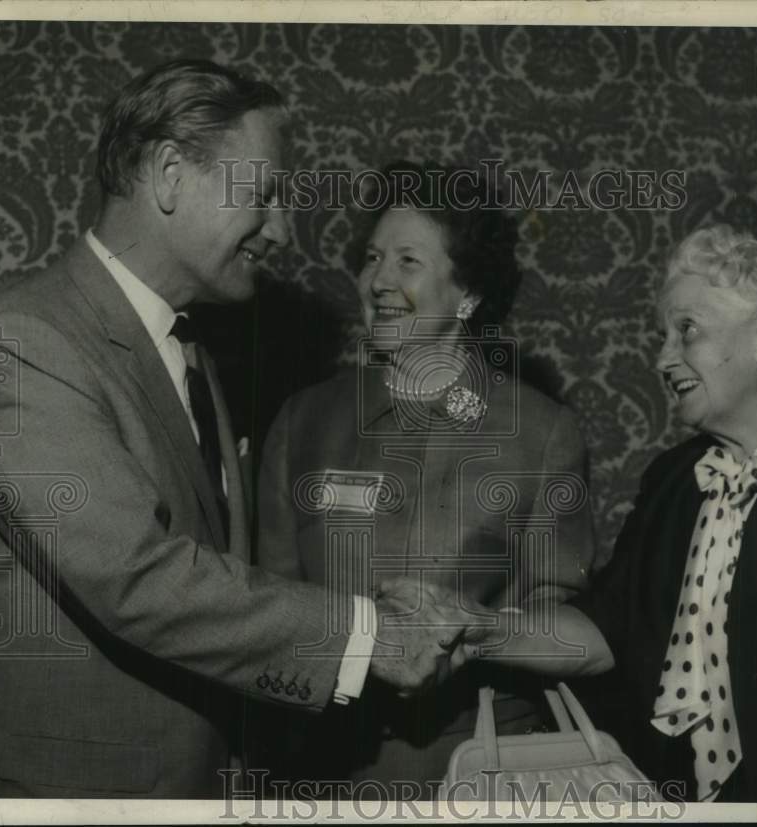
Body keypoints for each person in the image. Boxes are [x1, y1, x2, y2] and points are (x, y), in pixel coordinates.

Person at [0, 61, 472, 799]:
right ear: (170, 174)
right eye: (263, 196)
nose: (283, 231)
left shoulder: (191, 348)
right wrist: (370, 636)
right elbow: (137, 576)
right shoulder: (23, 343)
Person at [459, 224, 757, 803]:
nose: (663, 356)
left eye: (686, 331)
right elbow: (601, 633)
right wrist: (478, 629)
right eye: (664, 334)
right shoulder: (672, 479)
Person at [252, 163, 598, 793]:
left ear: (467, 294)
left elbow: (571, 635)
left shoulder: (541, 433)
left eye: (407, 261)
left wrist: (474, 628)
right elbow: (263, 608)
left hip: (474, 771)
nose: (377, 279)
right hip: (320, 772)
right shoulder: (304, 420)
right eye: (372, 257)